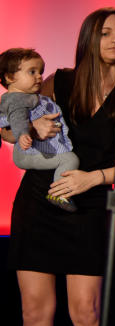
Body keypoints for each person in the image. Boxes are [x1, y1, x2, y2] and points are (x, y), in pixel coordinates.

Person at [2, 7, 115, 326]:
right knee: (34, 311)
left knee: (86, 312)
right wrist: (27, 128)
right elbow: (9, 127)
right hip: (38, 201)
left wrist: (93, 179)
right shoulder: (59, 82)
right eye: (106, 32)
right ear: (88, 39)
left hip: (89, 205)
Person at [0, 48, 80, 211]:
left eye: (40, 72)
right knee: (69, 160)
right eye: (32, 72)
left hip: (35, 150)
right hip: (27, 154)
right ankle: (59, 194)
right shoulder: (16, 99)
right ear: (9, 77)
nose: (39, 76)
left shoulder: (33, 97)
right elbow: (17, 118)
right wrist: (24, 132)